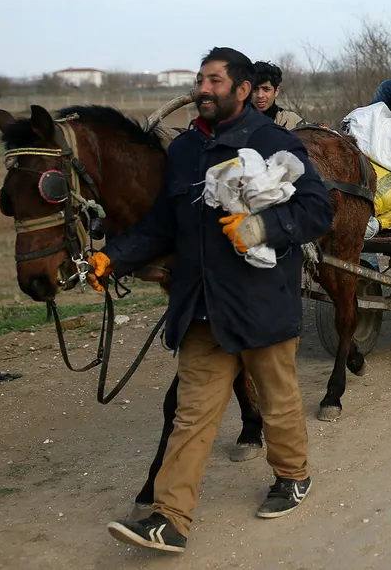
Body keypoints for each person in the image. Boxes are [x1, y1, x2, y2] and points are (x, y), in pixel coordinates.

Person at [89, 47, 334, 553]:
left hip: (261, 301)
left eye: (214, 81)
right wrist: (113, 257)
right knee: (193, 412)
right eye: (200, 79)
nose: (202, 88)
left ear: (243, 90)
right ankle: (169, 517)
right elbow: (162, 224)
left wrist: (261, 225)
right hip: (200, 303)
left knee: (277, 400)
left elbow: (317, 210)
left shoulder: (274, 143)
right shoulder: (182, 152)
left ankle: (293, 475)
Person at [251, 61, 306, 130]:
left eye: (266, 89)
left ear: (276, 91)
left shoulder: (292, 122)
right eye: (255, 89)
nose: (260, 95)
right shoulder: (237, 122)